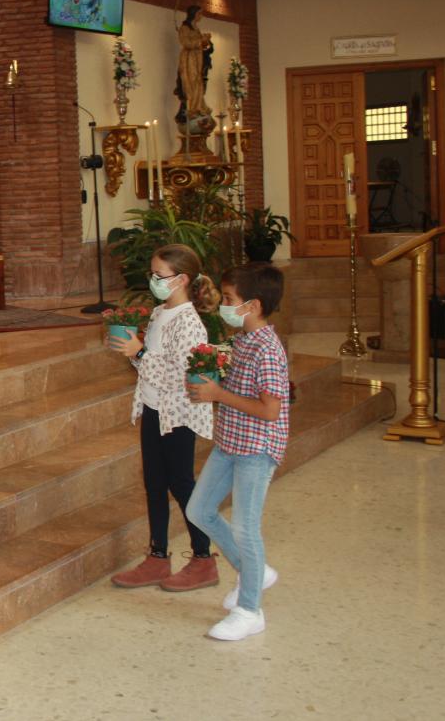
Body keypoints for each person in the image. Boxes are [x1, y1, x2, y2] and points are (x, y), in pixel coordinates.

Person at [186, 263, 291, 641]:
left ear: (253, 305)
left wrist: (218, 394)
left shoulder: (268, 350)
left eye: (230, 300)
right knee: (198, 510)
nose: (224, 305)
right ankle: (255, 573)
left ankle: (250, 610)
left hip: (256, 449)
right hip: (230, 442)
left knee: (247, 528)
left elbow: (270, 409)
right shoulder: (242, 339)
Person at [109, 244, 219, 592]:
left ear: (182, 279)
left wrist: (139, 351)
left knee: (182, 484)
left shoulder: (189, 323)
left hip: (179, 414)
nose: (153, 280)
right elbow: (151, 366)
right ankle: (158, 556)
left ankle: (203, 559)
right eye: (152, 275)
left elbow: (180, 376)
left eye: (160, 276)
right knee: (154, 483)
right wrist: (135, 351)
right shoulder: (159, 313)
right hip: (154, 409)